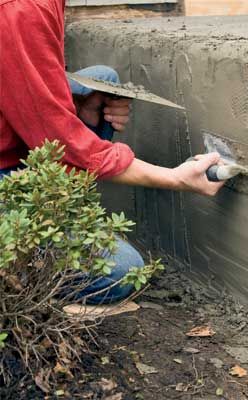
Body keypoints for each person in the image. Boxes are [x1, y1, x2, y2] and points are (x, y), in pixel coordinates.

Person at [0, 0, 225, 303]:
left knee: (101, 79)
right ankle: (20, 267)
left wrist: (69, 106)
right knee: (120, 272)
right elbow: (61, 147)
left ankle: (56, 220)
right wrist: (175, 178)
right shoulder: (20, 9)